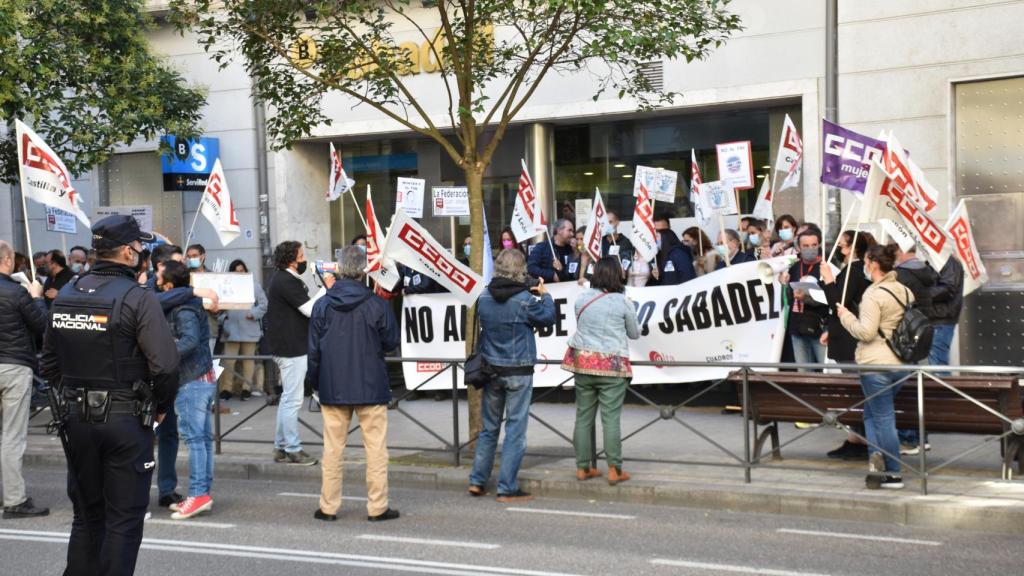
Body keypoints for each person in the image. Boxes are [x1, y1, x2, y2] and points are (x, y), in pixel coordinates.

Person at [41, 214, 180, 574]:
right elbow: (165, 366)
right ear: (128, 252)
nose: (144, 252)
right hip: (124, 420)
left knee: (87, 517)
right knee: (123, 521)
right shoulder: (137, 297)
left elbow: (49, 363)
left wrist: (71, 398)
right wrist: (161, 408)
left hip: (76, 422)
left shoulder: (67, 293)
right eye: (141, 246)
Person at [308, 246, 401, 522]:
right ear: (364, 270)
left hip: (332, 385)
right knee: (375, 450)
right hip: (371, 385)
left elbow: (314, 352)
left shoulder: (322, 304)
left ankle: (328, 506)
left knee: (332, 450)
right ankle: (377, 506)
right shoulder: (377, 304)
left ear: (338, 268)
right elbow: (391, 342)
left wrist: (315, 384)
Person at [468, 249, 556, 502]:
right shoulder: (524, 300)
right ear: (521, 271)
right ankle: (507, 487)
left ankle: (477, 481)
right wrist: (545, 295)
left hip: (491, 370)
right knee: (515, 430)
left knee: (489, 429)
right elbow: (548, 317)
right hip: (518, 370)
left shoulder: (483, 296)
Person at [837, 244, 913, 490]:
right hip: (900, 363)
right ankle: (875, 461)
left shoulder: (873, 294)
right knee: (871, 414)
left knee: (882, 418)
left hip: (875, 364)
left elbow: (866, 332)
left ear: (874, 264)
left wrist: (846, 316)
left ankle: (893, 473)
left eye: (866, 261)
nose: (864, 266)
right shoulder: (903, 290)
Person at [563, 257, 640, 485]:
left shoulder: (581, 299)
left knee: (583, 417)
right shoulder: (623, 302)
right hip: (612, 366)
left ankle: (582, 467)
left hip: (583, 364)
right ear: (617, 275)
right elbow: (634, 334)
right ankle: (615, 469)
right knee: (611, 419)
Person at [158, 261, 217, 520]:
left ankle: (197, 495)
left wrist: (163, 354)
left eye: (159, 275)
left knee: (195, 440)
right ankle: (201, 493)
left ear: (169, 285)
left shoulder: (181, 309)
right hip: (200, 377)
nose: (154, 278)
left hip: (191, 379)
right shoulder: (186, 303)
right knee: (202, 439)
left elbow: (190, 341)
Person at [266, 240, 329, 466]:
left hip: (287, 346)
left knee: (287, 399)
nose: (304, 259)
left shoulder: (283, 279)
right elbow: (310, 310)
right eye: (301, 256)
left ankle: (280, 446)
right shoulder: (286, 281)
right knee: (293, 400)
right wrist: (325, 288)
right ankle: (293, 448)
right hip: (291, 348)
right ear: (292, 259)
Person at [0, 240, 49, 519]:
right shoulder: (17, 293)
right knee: (12, 436)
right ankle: (15, 500)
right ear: (7, 261)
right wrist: (36, 297)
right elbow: (42, 326)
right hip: (13, 366)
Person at [820, 230, 876, 460]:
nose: (840, 250)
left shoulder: (853, 271)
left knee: (856, 391)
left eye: (843, 246)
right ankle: (857, 438)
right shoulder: (854, 270)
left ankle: (861, 441)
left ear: (853, 249)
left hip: (849, 339)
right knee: (856, 390)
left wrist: (828, 280)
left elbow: (838, 303)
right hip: (844, 335)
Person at [892, 245, 939, 455]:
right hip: (920, 335)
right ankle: (921, 437)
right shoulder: (924, 271)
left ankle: (909, 438)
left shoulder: (902, 275)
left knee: (904, 390)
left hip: (905, 338)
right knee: (914, 387)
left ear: (900, 252)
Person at [218, 259, 268, 400]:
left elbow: (264, 304)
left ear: (246, 271)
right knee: (228, 361)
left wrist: (253, 313)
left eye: (242, 271)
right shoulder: (225, 287)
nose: (239, 273)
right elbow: (219, 307)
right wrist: (223, 319)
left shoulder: (255, 286)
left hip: (249, 328)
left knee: (248, 360)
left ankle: (246, 388)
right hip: (231, 329)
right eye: (236, 271)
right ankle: (226, 389)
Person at [782, 229, 828, 367]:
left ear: (819, 245)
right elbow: (788, 298)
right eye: (806, 246)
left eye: (814, 245)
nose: (811, 249)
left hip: (819, 327)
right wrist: (785, 286)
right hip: (797, 326)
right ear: (798, 247)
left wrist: (806, 298)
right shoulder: (794, 267)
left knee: (827, 370)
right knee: (803, 372)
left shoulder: (825, 267)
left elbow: (829, 298)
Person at [577, 211, 634, 282]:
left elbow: (625, 263)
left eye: (610, 222)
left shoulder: (625, 242)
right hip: (599, 282)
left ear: (617, 223)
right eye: (606, 223)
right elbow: (594, 261)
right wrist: (588, 278)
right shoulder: (599, 241)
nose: (608, 225)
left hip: (616, 283)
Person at [928, 257, 964, 368]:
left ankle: (942, 385)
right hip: (935, 316)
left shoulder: (948, 262)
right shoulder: (936, 260)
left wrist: (921, 292)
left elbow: (947, 289)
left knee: (938, 364)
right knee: (936, 362)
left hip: (941, 318)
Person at [526, 218, 575, 283]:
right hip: (547, 290)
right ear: (559, 230)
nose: (572, 234)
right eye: (569, 230)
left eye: (572, 231)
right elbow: (531, 268)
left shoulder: (571, 249)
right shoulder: (541, 247)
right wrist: (552, 275)